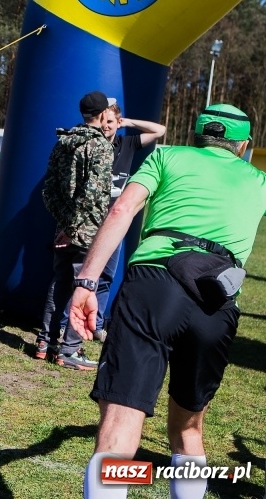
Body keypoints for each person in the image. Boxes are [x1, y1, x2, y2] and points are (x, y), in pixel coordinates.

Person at [69, 104, 266, 499]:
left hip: (154, 285)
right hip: (218, 300)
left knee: (122, 421)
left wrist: (86, 282)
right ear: (243, 145)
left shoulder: (167, 155)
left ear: (197, 136)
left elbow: (122, 209)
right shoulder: (258, 180)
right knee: (188, 429)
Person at [33, 91, 114, 370]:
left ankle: (45, 343)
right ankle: (69, 350)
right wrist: (73, 226)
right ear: (104, 114)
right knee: (83, 286)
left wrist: (64, 222)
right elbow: (92, 193)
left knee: (59, 284)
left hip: (64, 228)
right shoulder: (100, 147)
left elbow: (49, 190)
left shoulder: (63, 142)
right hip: (87, 230)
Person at [90, 104, 166, 341]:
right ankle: (65, 324)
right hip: (89, 221)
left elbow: (159, 130)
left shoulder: (127, 144)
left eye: (110, 122)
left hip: (114, 223)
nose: (106, 126)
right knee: (81, 274)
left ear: (118, 124)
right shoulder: (92, 146)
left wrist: (129, 122)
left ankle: (96, 324)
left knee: (106, 277)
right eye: (103, 121)